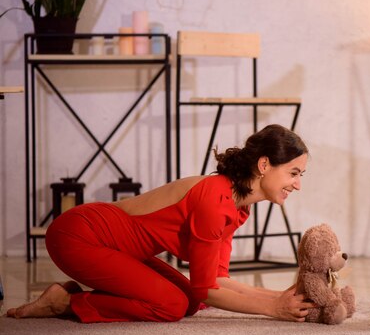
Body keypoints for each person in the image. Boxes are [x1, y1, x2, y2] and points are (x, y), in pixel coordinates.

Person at [7, 124, 314, 323]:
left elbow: (215, 280)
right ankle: (66, 302)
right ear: (264, 165)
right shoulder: (215, 200)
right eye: (293, 173)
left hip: (117, 247)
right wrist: (272, 309)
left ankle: (74, 297)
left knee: (190, 301)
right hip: (78, 236)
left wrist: (279, 298)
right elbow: (209, 289)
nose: (297, 185)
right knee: (171, 305)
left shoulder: (236, 206)